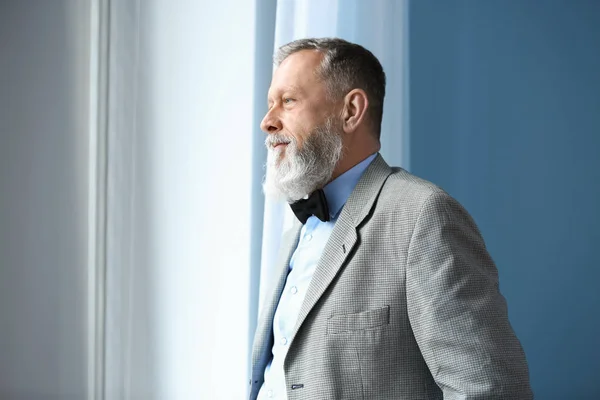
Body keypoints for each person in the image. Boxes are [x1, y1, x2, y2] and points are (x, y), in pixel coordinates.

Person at [250, 37, 532, 400]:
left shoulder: (424, 216)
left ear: (351, 110)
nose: (267, 122)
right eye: (271, 104)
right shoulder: (297, 230)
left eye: (288, 101)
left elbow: (490, 389)